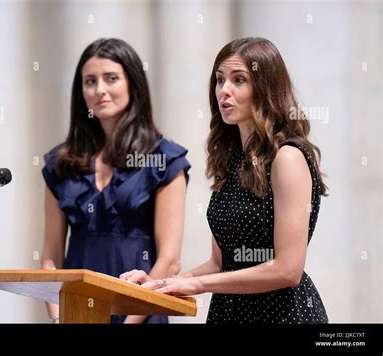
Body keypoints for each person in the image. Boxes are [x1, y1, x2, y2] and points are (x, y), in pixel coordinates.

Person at [121, 37, 329, 324]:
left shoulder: (287, 158)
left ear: (266, 87)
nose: (224, 91)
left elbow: (287, 271)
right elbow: (219, 263)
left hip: (283, 316)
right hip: (230, 313)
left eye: (238, 80)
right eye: (220, 81)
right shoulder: (231, 161)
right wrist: (162, 283)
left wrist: (196, 285)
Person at [40, 38, 191, 324]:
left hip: (142, 312)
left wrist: (130, 322)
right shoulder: (61, 164)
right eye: (90, 81)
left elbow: (169, 259)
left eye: (111, 79)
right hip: (77, 313)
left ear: (132, 84)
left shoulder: (165, 160)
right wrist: (59, 318)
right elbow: (51, 254)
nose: (100, 90)